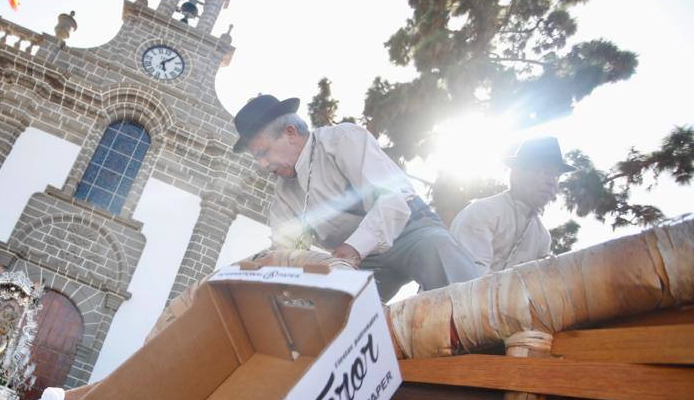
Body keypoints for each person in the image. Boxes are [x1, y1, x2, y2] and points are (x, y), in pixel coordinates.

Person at [232, 94, 480, 301]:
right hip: (359, 264)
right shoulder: (283, 194)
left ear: (290, 132)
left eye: (264, 152)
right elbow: (287, 252)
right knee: (327, 312)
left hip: (411, 231)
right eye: (257, 158)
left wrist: (353, 248)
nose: (263, 164)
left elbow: (391, 200)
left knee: (440, 252)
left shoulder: (342, 140)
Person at [451, 137, 577, 275]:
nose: (552, 182)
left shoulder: (542, 236)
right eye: (545, 172)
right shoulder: (483, 212)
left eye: (556, 176)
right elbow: (471, 279)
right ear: (516, 174)